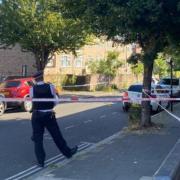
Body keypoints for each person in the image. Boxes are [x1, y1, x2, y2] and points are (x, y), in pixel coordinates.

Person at [30, 71, 78, 167]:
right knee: (57, 136)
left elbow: (32, 100)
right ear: (43, 77)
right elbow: (56, 101)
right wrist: (50, 107)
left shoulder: (32, 89)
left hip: (36, 116)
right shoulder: (50, 86)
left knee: (38, 139)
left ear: (35, 79)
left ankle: (41, 161)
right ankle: (68, 153)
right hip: (49, 115)